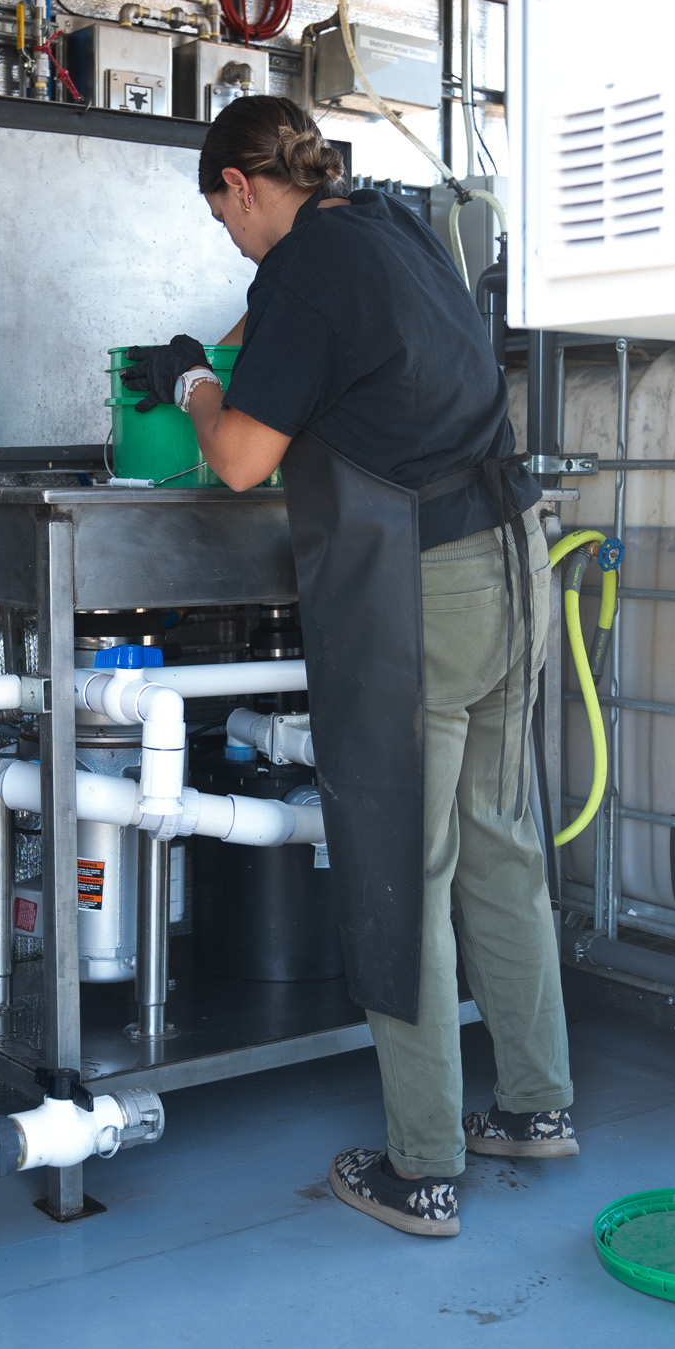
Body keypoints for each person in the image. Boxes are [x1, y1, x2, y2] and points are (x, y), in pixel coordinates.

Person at [122, 96, 576, 1239]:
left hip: (422, 590)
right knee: (499, 845)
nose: (226, 238)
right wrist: (236, 357)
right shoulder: (392, 226)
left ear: (238, 185)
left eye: (219, 213)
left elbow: (236, 459)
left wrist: (189, 384)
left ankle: (421, 1166)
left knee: (397, 867)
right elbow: (350, 365)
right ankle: (535, 1106)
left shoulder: (305, 272)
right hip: (516, 563)